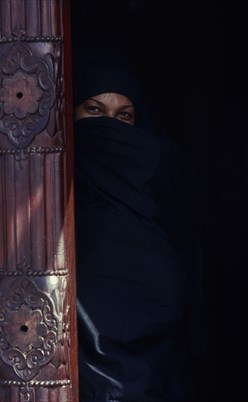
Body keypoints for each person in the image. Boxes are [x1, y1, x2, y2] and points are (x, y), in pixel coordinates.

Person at [72, 49, 205, 401]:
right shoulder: (53, 199)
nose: (109, 129)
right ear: (70, 113)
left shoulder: (164, 195)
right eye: (94, 111)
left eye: (124, 116)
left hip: (154, 372)